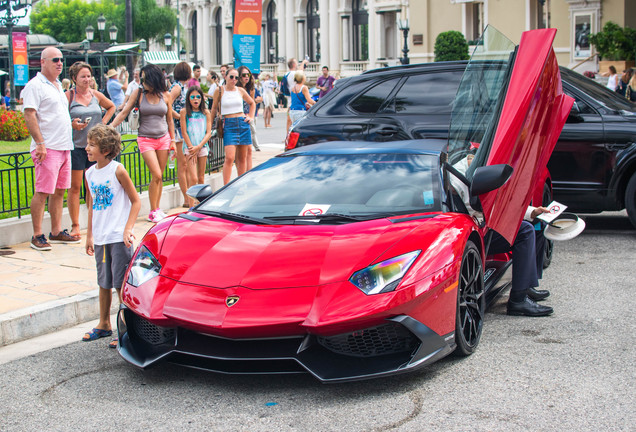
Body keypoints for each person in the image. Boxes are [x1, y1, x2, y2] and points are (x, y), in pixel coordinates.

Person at [450, 151, 553, 317]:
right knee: (524, 230)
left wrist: (534, 212)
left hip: (486, 222)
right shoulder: (458, 180)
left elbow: (501, 205)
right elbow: (486, 210)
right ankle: (518, 300)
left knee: (537, 222)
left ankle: (526, 285)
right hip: (476, 231)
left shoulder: (479, 170)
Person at [82, 124, 140, 348]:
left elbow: (136, 200)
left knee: (119, 283)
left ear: (105, 150)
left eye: (92, 145)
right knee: (103, 282)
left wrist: (128, 229)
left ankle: (124, 327)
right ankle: (104, 323)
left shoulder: (118, 170)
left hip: (118, 236)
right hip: (101, 237)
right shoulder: (89, 173)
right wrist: (90, 235)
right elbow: (91, 205)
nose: (87, 148)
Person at [22, 47, 77, 250]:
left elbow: (55, 116)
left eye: (61, 59)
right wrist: (40, 143)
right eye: (55, 59)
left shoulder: (56, 86)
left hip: (63, 146)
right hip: (48, 147)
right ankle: (37, 234)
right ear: (42, 62)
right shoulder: (35, 85)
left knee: (60, 191)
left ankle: (56, 231)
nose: (59, 63)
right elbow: (29, 114)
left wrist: (73, 124)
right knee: (43, 191)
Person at [111, 64, 175, 223]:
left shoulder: (165, 95)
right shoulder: (138, 93)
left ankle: (157, 208)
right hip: (146, 139)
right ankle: (153, 210)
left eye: (145, 78)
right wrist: (110, 127)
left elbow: (169, 120)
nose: (142, 81)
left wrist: (172, 139)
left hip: (164, 138)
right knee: (157, 174)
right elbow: (124, 112)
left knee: (160, 177)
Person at [66, 62, 116, 239]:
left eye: (89, 76)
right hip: (76, 147)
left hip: (95, 149)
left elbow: (112, 107)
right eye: (83, 76)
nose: (87, 79)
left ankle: (93, 223)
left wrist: (103, 123)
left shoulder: (95, 95)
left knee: (92, 187)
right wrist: (72, 125)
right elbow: (61, 118)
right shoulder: (69, 96)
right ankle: (75, 225)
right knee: (75, 187)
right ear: (74, 78)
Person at [210, 68, 255, 185]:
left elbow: (252, 103)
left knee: (242, 158)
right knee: (229, 157)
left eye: (236, 77)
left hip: (242, 123)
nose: (234, 80)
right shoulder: (219, 90)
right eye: (231, 77)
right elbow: (214, 108)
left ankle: (241, 184)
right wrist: (209, 126)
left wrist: (250, 116)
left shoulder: (240, 90)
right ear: (225, 77)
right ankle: (226, 186)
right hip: (229, 124)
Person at [180, 86, 213, 205]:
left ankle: (201, 204)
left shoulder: (206, 113)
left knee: (201, 177)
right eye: (192, 97)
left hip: (202, 147)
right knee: (192, 178)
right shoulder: (184, 112)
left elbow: (208, 132)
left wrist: (199, 147)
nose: (195, 99)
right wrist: (191, 148)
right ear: (188, 98)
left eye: (198, 97)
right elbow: (184, 132)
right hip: (190, 148)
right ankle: (191, 204)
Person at [168, 61, 191, 207]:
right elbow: (167, 103)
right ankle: (186, 198)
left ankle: (188, 197)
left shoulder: (180, 87)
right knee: (183, 165)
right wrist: (178, 116)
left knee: (186, 164)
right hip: (178, 130)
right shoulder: (177, 87)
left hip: (182, 128)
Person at [237, 65, 262, 158]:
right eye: (244, 75)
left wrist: (251, 116)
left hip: (247, 115)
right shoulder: (236, 88)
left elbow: (252, 103)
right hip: (238, 115)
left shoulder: (251, 88)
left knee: (252, 132)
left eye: (248, 75)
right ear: (239, 76)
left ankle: (253, 149)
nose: (246, 77)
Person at [285, 58, 308, 131]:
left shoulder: (287, 74)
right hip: (295, 100)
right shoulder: (293, 73)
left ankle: (287, 135)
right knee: (294, 122)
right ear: (294, 64)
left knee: (290, 119)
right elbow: (300, 72)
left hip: (291, 98)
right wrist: (304, 62)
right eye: (297, 63)